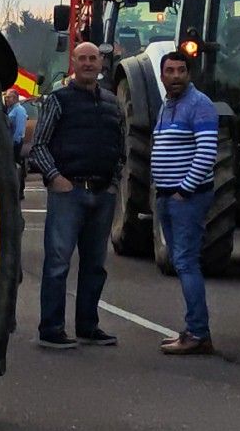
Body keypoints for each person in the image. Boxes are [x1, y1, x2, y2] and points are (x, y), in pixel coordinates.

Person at [22, 41, 124, 348]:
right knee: (57, 264)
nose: (89, 63)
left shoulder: (110, 102)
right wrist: (55, 178)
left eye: (94, 58)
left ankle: (88, 326)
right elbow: (38, 145)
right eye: (83, 58)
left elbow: (120, 146)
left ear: (101, 63)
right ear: (74, 63)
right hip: (69, 192)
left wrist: (114, 181)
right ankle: (51, 329)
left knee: (95, 265)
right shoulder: (58, 100)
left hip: (102, 193)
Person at [148, 47, 219, 355]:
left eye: (180, 71)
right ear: (162, 76)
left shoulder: (199, 104)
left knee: (186, 261)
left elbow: (206, 153)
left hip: (185, 198)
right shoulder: (167, 105)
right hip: (167, 195)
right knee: (180, 261)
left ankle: (197, 333)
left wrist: (185, 190)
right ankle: (193, 330)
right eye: (170, 71)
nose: (175, 76)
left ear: (189, 74)